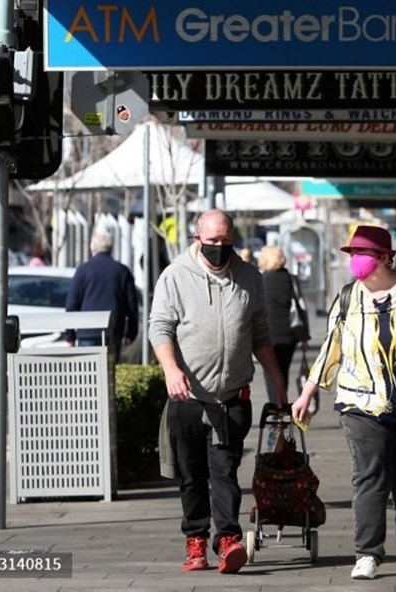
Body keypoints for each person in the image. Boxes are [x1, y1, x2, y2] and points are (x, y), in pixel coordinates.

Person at [290, 225, 396, 580]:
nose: (356, 261)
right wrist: (307, 391)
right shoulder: (348, 297)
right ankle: (367, 554)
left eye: (362, 254)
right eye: (352, 255)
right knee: (370, 478)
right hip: (361, 403)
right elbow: (331, 347)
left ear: (384, 258)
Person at [149, 209, 287, 574]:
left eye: (226, 242)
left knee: (225, 469)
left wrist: (277, 380)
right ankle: (195, 539)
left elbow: (260, 333)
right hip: (188, 395)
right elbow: (159, 327)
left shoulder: (249, 278)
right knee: (192, 473)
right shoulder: (175, 276)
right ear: (198, 239)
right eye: (212, 243)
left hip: (232, 394)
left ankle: (228, 539)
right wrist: (171, 369)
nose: (219, 249)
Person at [65, 231, 138, 363]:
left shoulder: (83, 270)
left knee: (87, 376)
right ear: (111, 248)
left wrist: (70, 335)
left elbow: (72, 304)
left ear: (92, 248)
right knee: (109, 374)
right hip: (113, 331)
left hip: (87, 332)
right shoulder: (122, 271)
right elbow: (132, 306)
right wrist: (131, 333)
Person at [258, 245, 309, 404]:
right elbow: (301, 307)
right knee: (283, 370)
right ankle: (281, 406)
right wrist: (304, 337)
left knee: (270, 372)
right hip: (289, 335)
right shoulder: (291, 279)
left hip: (266, 335)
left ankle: (276, 408)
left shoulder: (260, 281)